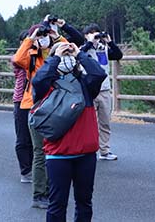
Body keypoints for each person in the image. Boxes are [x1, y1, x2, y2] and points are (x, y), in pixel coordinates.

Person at [13, 17, 83, 209]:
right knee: (40, 152)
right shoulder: (31, 55)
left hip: (54, 106)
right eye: (40, 35)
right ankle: (39, 194)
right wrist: (31, 38)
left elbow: (73, 45)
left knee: (54, 151)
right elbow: (17, 59)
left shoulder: (56, 52)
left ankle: (51, 190)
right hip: (36, 106)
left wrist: (56, 35)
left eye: (45, 35)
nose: (43, 38)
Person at [32, 42, 106, 222]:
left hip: (86, 154)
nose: (66, 59)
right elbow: (38, 79)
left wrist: (79, 53)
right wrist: (55, 56)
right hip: (58, 155)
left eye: (68, 56)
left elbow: (99, 73)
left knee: (84, 203)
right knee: (57, 204)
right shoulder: (47, 86)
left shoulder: (85, 84)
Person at [81, 24, 123, 161]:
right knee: (89, 122)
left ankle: (104, 150)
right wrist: (89, 42)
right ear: (86, 35)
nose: (96, 37)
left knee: (105, 122)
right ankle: (88, 149)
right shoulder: (82, 50)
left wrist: (109, 41)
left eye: (97, 34)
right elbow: (79, 55)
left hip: (104, 89)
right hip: (90, 90)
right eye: (92, 33)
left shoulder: (103, 49)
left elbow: (118, 55)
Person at [11, 30, 33, 183]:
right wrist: (29, 41)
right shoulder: (18, 58)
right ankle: (26, 171)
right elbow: (18, 59)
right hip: (20, 101)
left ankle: (39, 169)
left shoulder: (38, 55)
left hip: (35, 100)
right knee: (23, 138)